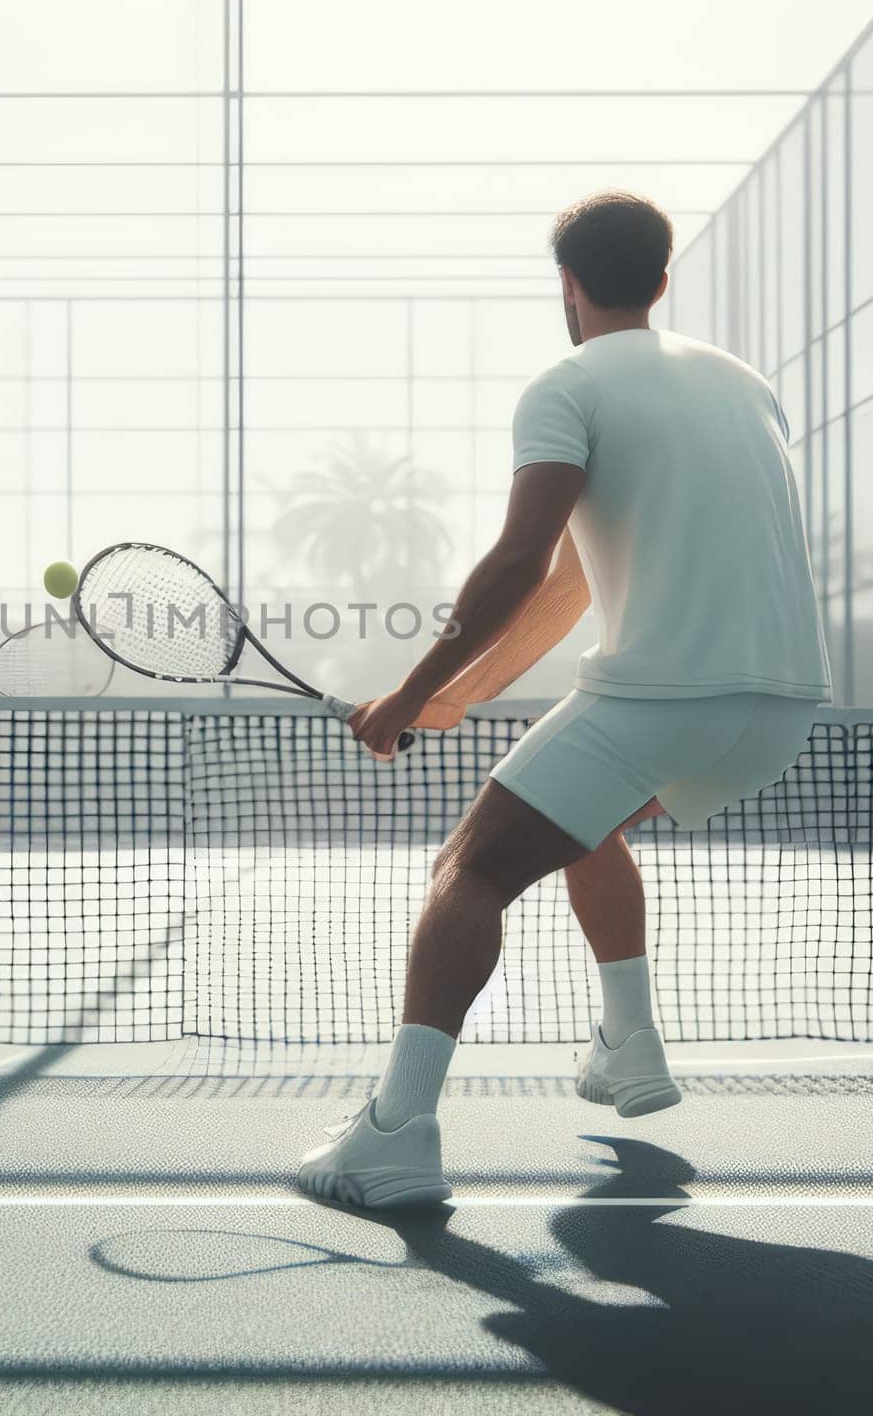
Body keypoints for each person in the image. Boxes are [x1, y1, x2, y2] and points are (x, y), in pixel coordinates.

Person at [298, 191, 830, 1208]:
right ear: (662, 280)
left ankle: (395, 1134)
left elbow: (517, 559)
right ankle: (629, 1044)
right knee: (582, 823)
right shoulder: (745, 384)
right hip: (780, 708)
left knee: (471, 866)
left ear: (568, 285)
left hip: (664, 692)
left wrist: (407, 693)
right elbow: (577, 582)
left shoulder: (564, 385)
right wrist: (461, 694)